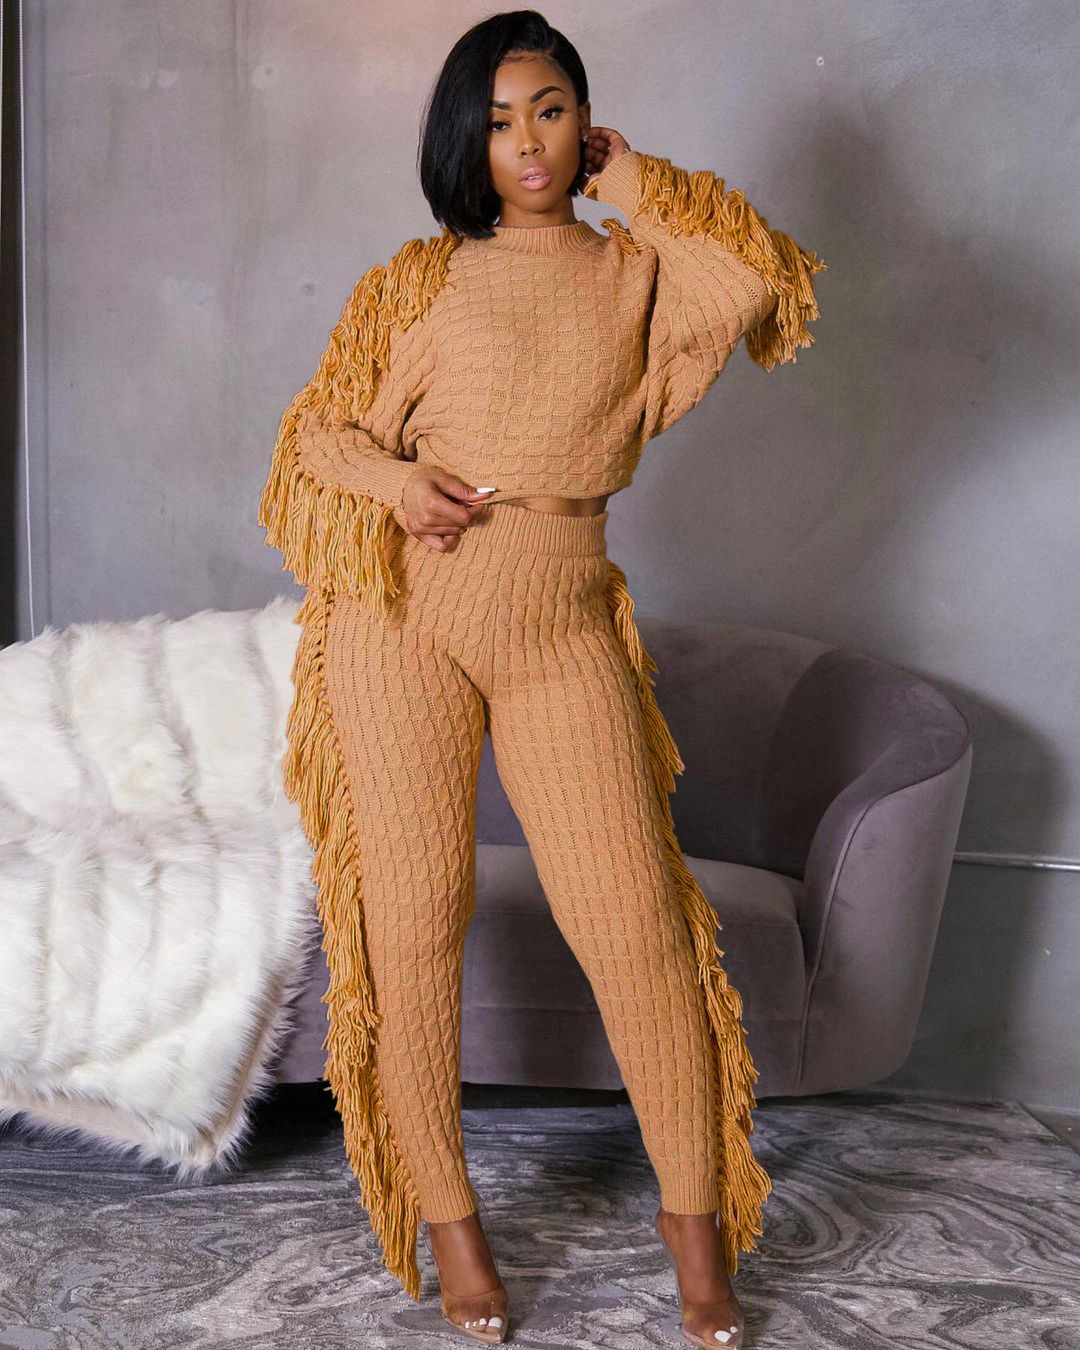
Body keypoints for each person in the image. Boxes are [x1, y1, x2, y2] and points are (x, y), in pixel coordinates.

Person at [258, 10, 825, 1347]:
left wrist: (637, 179)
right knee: (413, 921)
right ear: (467, 138)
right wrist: (399, 482)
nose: (526, 143)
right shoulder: (417, 281)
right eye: (500, 119)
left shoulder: (637, 273)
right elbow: (314, 438)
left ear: (586, 123)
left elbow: (759, 278)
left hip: (562, 617)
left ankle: (698, 1228)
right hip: (401, 616)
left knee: (637, 925)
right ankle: (453, 1223)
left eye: (552, 112)